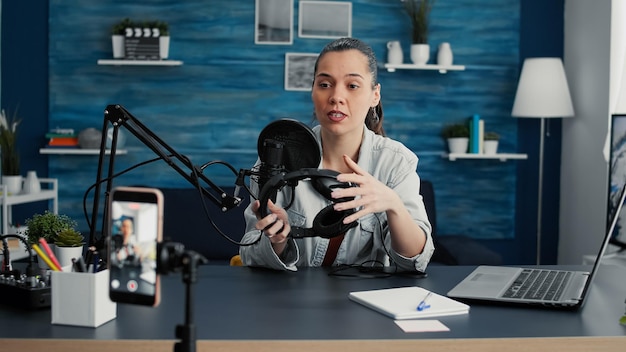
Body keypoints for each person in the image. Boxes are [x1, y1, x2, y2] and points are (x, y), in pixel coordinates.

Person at [239, 37, 434, 272]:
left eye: (352, 86)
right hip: (289, 301)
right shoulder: (276, 158)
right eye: (324, 84)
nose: (336, 97)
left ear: (375, 95)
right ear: (312, 91)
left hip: (366, 302)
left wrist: (394, 205)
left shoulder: (396, 162)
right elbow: (250, 253)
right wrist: (277, 241)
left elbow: (416, 262)